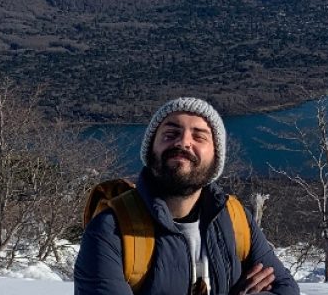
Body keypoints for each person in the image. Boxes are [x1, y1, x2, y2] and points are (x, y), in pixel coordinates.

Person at [75, 97, 299, 295]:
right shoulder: (111, 230)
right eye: (171, 134)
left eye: (199, 137)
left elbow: (286, 288)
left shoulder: (235, 218)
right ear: (151, 149)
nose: (183, 142)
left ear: (216, 157)